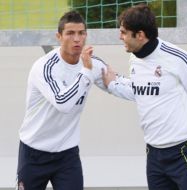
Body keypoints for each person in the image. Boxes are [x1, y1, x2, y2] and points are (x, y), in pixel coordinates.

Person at [98, 4, 187, 190]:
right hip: (154, 155)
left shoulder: (178, 58)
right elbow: (141, 91)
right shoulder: (134, 58)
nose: (120, 37)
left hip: (185, 151)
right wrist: (113, 84)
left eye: (124, 32)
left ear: (140, 35)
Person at [16, 10, 108, 190]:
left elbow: (116, 83)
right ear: (59, 36)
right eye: (70, 33)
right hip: (34, 152)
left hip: (67, 154)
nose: (77, 39)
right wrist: (86, 73)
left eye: (81, 33)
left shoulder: (91, 63)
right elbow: (63, 103)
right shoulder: (44, 67)